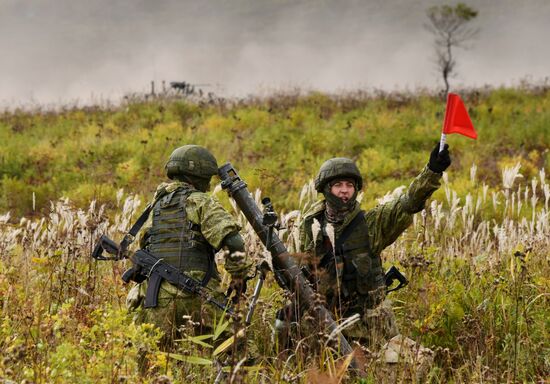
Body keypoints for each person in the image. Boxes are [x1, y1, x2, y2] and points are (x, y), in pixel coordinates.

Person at [275, 143, 451, 352]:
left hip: (370, 326)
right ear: (325, 189)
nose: (344, 191)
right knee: (283, 323)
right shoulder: (309, 226)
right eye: (338, 185)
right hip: (325, 322)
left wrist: (432, 171)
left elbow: (408, 203)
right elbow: (297, 271)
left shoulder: (371, 223)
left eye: (349, 185)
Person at [126, 145, 252, 349]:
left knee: (150, 363)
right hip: (197, 292)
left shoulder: (155, 206)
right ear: (200, 176)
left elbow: (145, 243)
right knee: (239, 351)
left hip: (154, 297)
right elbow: (234, 241)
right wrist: (238, 277)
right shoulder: (201, 202)